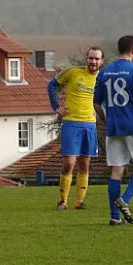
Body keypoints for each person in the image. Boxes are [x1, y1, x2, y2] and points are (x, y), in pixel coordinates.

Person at [93, 35, 133, 225]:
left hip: (114, 127)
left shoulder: (104, 73)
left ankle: (115, 217)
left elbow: (96, 103)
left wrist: (106, 121)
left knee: (117, 170)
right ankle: (125, 200)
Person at [47, 47, 105, 211]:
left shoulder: (103, 79)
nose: (93, 62)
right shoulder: (73, 72)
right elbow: (52, 86)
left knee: (85, 164)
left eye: (97, 59)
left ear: (102, 61)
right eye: (91, 58)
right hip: (71, 123)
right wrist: (56, 107)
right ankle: (63, 201)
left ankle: (79, 202)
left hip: (90, 124)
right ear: (86, 59)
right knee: (69, 163)